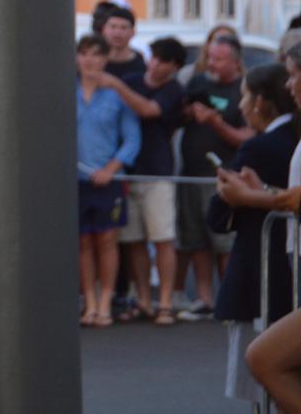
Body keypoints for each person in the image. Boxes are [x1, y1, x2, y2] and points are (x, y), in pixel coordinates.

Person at [206, 63, 297, 405]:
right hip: (283, 271)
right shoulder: (289, 140)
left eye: (244, 95)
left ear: (259, 101)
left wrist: (243, 197)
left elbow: (218, 215)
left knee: (265, 366)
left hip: (266, 277)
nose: (240, 104)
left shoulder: (260, 147)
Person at [88, 36, 186, 325]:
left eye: (162, 60)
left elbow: (148, 110)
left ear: (175, 66)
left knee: (163, 238)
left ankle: (165, 302)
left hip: (158, 172)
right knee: (134, 242)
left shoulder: (173, 90)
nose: (154, 64)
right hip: (127, 173)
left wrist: (117, 85)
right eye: (153, 57)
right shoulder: (133, 78)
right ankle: (143, 299)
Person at [176, 35, 253, 321]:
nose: (212, 64)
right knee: (196, 238)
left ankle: (228, 298)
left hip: (224, 176)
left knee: (224, 242)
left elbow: (246, 137)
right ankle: (204, 297)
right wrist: (187, 112)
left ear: (235, 61)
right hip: (192, 172)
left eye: (219, 59)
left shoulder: (243, 91)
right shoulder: (198, 83)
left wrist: (215, 122)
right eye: (210, 57)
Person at [74, 34, 141, 328]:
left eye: (96, 55)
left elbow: (132, 138)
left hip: (108, 179)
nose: (90, 61)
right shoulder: (67, 90)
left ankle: (105, 303)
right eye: (84, 54)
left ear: (105, 59)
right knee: (83, 242)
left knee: (107, 239)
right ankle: (89, 302)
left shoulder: (115, 94)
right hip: (75, 179)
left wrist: (111, 169)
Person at [101, 6, 145, 79]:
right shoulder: (93, 64)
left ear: (133, 32)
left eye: (123, 28)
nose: (117, 33)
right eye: (113, 27)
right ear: (103, 30)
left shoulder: (140, 67)